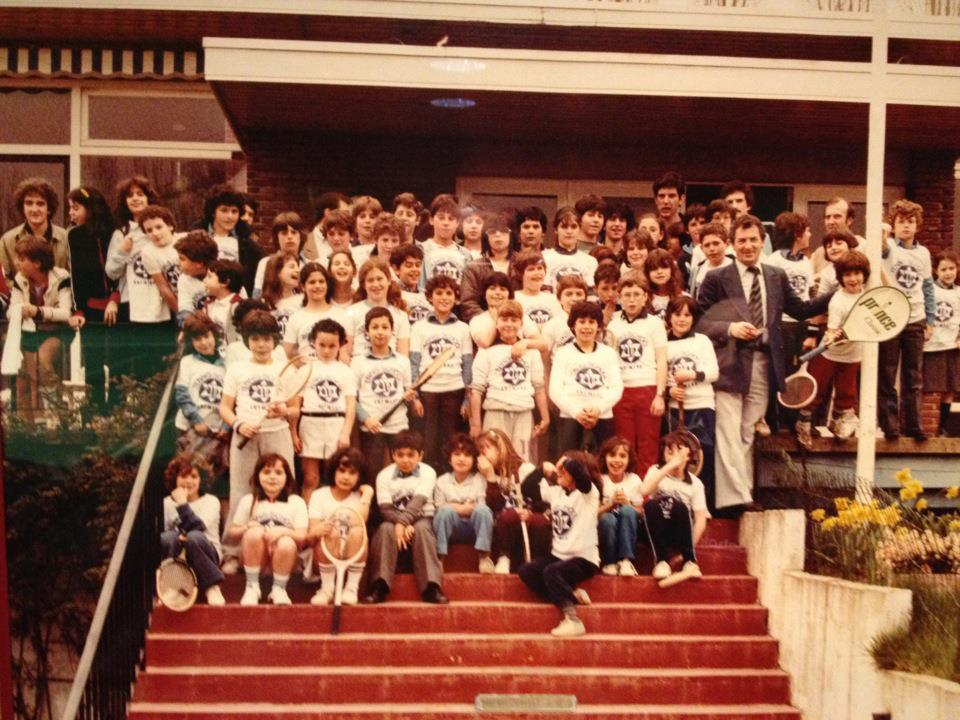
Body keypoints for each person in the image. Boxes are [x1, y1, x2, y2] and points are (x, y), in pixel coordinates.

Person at [697, 214, 832, 514]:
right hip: (730, 365)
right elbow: (699, 321)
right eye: (741, 240)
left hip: (763, 363)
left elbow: (799, 309)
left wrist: (837, 294)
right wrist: (730, 329)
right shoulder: (717, 278)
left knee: (746, 432)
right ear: (732, 244)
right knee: (728, 432)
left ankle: (737, 495)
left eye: (753, 240)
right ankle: (736, 499)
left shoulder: (775, 275)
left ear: (762, 242)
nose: (747, 246)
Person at [219, 310, 297, 572]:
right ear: (246, 341)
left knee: (285, 491)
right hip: (245, 436)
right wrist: (239, 425)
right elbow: (225, 408)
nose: (261, 345)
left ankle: (287, 552)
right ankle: (231, 553)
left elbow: (296, 408)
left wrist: (282, 411)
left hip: (278, 433)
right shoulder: (237, 369)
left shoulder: (284, 367)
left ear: (275, 340)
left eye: (266, 339)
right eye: (254, 339)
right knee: (241, 492)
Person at [517, 451, 601, 637]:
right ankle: (570, 595)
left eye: (564, 469)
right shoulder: (556, 492)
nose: (559, 472)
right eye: (559, 469)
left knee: (552, 572)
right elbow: (527, 488)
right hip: (558, 555)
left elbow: (581, 475)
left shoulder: (589, 494)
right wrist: (542, 469)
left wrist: (567, 461)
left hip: (583, 558)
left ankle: (573, 620)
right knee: (526, 571)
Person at [795, 250, 871, 448]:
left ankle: (838, 423)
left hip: (853, 355)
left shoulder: (868, 296)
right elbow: (831, 330)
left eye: (857, 273)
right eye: (847, 275)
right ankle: (803, 424)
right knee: (816, 391)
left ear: (864, 274)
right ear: (840, 278)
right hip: (829, 354)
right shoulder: (838, 300)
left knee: (847, 392)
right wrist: (831, 336)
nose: (853, 279)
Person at [365, 430, 447, 604]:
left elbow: (419, 501)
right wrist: (400, 523)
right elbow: (385, 508)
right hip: (393, 519)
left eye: (411, 455)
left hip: (422, 517)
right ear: (393, 455)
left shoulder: (428, 472)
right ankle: (379, 585)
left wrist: (403, 522)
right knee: (384, 529)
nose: (405, 459)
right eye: (400, 454)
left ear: (421, 456)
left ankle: (431, 587)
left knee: (422, 529)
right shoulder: (384, 476)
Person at [879, 199, 934, 441]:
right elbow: (880, 247)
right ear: (894, 224)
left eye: (910, 222)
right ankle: (890, 425)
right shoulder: (890, 247)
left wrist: (930, 320)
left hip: (916, 319)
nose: (906, 226)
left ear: (917, 226)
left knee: (914, 375)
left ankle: (914, 424)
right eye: (901, 221)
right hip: (892, 318)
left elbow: (928, 288)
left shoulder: (924, 253)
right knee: (888, 373)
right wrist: (883, 231)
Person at [469, 299, 549, 461]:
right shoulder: (486, 352)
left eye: (514, 320)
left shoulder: (532, 353)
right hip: (495, 411)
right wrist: (476, 425)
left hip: (523, 413)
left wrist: (545, 417)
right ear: (496, 324)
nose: (509, 324)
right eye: (504, 320)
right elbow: (475, 391)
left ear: (521, 324)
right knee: (494, 459)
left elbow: (539, 388)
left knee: (523, 460)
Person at [7, 236, 77, 414]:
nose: (17, 263)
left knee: (43, 361)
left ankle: (56, 415)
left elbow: (65, 312)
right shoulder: (19, 279)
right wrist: (19, 310)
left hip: (57, 332)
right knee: (24, 379)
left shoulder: (61, 277)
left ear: (37, 263)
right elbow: (10, 311)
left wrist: (38, 311)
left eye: (22, 259)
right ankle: (26, 432)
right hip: (30, 333)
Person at [409, 275, 473, 469]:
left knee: (450, 441)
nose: (444, 297)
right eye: (438, 293)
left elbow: (467, 364)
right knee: (428, 442)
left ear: (456, 298)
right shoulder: (419, 327)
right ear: (429, 297)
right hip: (427, 393)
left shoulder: (463, 328)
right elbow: (414, 362)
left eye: (449, 293)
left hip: (454, 391)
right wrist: (415, 397)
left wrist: (466, 399)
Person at [226, 453, 307, 606]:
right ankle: (252, 587)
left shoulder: (296, 502)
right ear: (258, 476)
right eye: (266, 472)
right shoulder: (249, 500)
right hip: (255, 557)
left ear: (287, 477)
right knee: (253, 533)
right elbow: (232, 533)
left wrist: (282, 531)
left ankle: (279, 589)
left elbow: (302, 536)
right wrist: (246, 527)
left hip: (285, 558)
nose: (272, 477)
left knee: (286, 542)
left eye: (278, 472)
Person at [608, 274, 668, 475]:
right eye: (626, 295)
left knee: (648, 443)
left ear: (645, 297)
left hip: (647, 388)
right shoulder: (613, 323)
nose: (631, 300)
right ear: (619, 297)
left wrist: (660, 394)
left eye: (636, 295)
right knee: (624, 444)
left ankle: (646, 496)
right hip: (620, 390)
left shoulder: (654, 323)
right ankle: (627, 490)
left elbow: (661, 360)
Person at [664, 296, 719, 511]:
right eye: (677, 314)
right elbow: (658, 375)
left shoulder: (702, 341)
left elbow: (714, 372)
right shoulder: (663, 343)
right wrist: (670, 391)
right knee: (675, 457)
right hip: (675, 410)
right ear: (669, 316)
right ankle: (677, 506)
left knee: (703, 455)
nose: (681, 319)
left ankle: (703, 509)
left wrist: (693, 374)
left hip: (702, 406)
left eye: (687, 315)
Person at [293, 318, 356, 503]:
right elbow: (295, 404)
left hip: (335, 424)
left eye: (332, 345)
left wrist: (345, 433)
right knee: (310, 478)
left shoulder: (346, 371)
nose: (327, 350)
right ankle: (306, 521)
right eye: (322, 345)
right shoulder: (305, 369)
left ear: (340, 345)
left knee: (333, 477)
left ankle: (330, 519)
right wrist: (293, 433)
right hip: (310, 425)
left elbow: (351, 405)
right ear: (313, 342)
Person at [549, 301, 623, 453]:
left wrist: (598, 408)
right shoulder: (563, 353)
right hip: (571, 417)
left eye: (591, 322)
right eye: (581, 322)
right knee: (570, 463)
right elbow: (555, 390)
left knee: (603, 464)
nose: (586, 327)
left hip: (602, 416)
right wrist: (576, 411)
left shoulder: (608, 353)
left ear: (599, 326)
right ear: (572, 325)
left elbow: (616, 387)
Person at [354, 306, 420, 473]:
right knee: (372, 472)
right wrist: (366, 419)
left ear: (392, 331)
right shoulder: (358, 362)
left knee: (398, 472)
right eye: (374, 327)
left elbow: (408, 394)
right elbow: (351, 399)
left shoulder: (402, 361)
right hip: (372, 427)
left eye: (385, 327)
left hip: (398, 426)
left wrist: (410, 398)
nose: (380, 332)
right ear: (366, 332)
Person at [640, 431, 709, 587]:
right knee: (651, 504)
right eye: (669, 452)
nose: (674, 457)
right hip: (654, 529)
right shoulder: (655, 471)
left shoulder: (695, 483)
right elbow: (644, 491)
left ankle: (689, 560)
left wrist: (687, 549)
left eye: (679, 452)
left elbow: (700, 521)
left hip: (678, 532)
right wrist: (670, 465)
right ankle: (661, 562)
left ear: (688, 456)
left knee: (679, 506)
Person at [307, 447, 373, 606]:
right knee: (332, 530)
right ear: (333, 471)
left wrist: (368, 495)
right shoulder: (319, 495)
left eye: (352, 473)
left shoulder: (360, 497)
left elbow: (360, 521)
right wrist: (320, 530)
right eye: (342, 471)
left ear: (360, 476)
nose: (346, 477)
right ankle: (327, 588)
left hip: (352, 554)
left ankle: (351, 588)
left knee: (357, 531)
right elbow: (312, 533)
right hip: (323, 555)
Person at [474, 428, 545, 574]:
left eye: (487, 447)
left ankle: (539, 563)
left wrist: (529, 511)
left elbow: (542, 501)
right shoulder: (481, 477)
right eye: (480, 451)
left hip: (527, 521)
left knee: (540, 521)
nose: (484, 454)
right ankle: (503, 557)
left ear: (501, 447)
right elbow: (493, 509)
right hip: (503, 528)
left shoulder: (525, 469)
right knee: (508, 514)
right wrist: (491, 478)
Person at [160, 453, 225, 606]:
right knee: (167, 538)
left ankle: (212, 586)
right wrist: (178, 537)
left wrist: (182, 503)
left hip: (207, 552)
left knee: (194, 537)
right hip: (179, 554)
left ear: (201, 479)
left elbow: (199, 527)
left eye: (194, 476)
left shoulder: (211, 501)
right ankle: (171, 585)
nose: (189, 481)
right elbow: (164, 535)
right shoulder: (167, 503)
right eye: (183, 476)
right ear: (175, 478)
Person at [174, 312, 229, 486]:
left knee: (216, 480)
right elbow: (182, 394)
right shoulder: (188, 362)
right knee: (189, 476)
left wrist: (226, 426)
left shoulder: (227, 362)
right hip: (192, 429)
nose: (204, 343)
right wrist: (196, 420)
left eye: (206, 336)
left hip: (217, 431)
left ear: (214, 334)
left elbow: (232, 398)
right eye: (197, 339)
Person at [432, 433, 495, 572]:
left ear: (474, 460)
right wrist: (463, 508)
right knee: (444, 512)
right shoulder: (442, 481)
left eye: (467, 455)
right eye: (457, 454)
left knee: (483, 512)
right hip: (451, 529)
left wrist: (453, 506)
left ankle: (484, 557)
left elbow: (481, 507)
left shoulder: (479, 479)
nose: (462, 459)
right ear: (449, 459)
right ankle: (439, 559)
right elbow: (439, 508)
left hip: (474, 529)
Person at [194, 184, 262, 294]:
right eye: (224, 210)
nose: (230, 216)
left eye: (234, 211)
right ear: (213, 212)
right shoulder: (197, 238)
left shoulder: (248, 244)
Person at [0, 176, 70, 279]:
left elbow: (73, 279)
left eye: (40, 204)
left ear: (49, 208)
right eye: (29, 203)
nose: (34, 209)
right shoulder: (7, 240)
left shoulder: (66, 238)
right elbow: (3, 280)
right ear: (22, 208)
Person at [922, 249, 960, 437]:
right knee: (930, 388)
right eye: (943, 269)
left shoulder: (959, 293)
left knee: (950, 389)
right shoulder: (930, 291)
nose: (948, 273)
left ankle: (942, 428)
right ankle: (924, 426)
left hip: (952, 347)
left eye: (951, 268)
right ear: (936, 271)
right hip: (931, 347)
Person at [595, 435, 643, 577]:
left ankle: (626, 560)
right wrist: (611, 504)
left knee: (628, 510)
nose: (617, 460)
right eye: (612, 455)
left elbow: (640, 512)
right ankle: (609, 562)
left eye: (622, 456)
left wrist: (627, 503)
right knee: (608, 519)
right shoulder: (599, 480)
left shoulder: (634, 480)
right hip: (604, 530)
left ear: (629, 460)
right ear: (605, 457)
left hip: (628, 528)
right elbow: (592, 513)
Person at [282, 262, 349, 360]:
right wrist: (304, 370)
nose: (317, 286)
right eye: (312, 282)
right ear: (303, 287)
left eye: (321, 281)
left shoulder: (341, 315)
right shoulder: (295, 318)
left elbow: (345, 353)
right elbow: (287, 354)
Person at [348, 257, 410, 359]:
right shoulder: (351, 312)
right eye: (370, 280)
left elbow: (403, 356)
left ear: (389, 281)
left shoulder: (401, 316)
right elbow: (345, 353)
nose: (375, 284)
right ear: (363, 285)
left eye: (379, 279)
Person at [138, 205, 181, 322]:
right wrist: (181, 313)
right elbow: (163, 287)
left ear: (170, 226)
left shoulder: (185, 239)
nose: (155, 233)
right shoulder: (148, 252)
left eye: (159, 227)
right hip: (181, 300)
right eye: (149, 230)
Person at [252, 211, 307, 298]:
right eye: (284, 233)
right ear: (276, 237)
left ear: (301, 236)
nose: (289, 237)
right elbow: (257, 296)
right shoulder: (266, 263)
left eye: (294, 232)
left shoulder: (308, 265)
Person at [543, 206, 598, 291]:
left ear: (579, 229)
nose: (569, 231)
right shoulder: (544, 258)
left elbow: (592, 296)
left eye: (573, 227)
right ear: (556, 230)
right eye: (564, 227)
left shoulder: (590, 261)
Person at [420, 193, 471, 284]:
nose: (446, 223)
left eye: (451, 219)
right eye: (441, 218)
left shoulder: (466, 256)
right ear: (431, 220)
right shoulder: (421, 250)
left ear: (457, 223)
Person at [174, 230, 219, 326]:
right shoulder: (184, 279)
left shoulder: (224, 274)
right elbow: (184, 311)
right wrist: (190, 321)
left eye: (182, 259)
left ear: (199, 263)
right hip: (203, 331)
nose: (178, 263)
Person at [512, 250, 562, 330]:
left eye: (540, 268)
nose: (537, 273)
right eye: (531, 269)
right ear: (520, 274)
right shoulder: (514, 299)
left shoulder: (554, 299)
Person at [643, 248, 686, 320]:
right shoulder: (641, 299)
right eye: (654, 268)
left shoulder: (684, 298)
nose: (659, 271)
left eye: (664, 267)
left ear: (672, 270)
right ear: (647, 273)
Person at [350, 195, 383, 266]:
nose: (367, 221)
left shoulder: (384, 248)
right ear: (355, 220)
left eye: (372, 217)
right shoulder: (349, 248)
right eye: (362, 217)